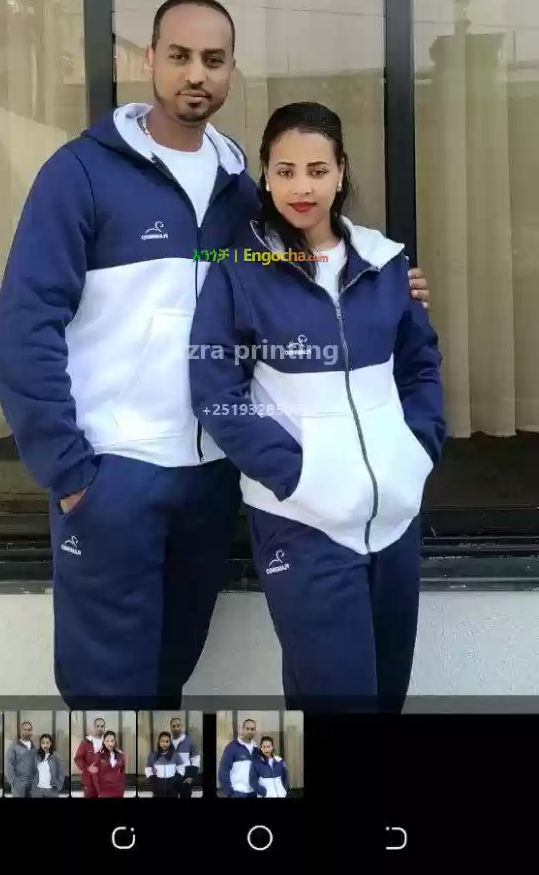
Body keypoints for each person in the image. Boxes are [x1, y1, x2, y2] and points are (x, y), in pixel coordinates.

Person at [0, 0, 430, 705]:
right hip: (114, 473)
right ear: (149, 60)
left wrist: (386, 284)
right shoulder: (81, 176)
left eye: (213, 60)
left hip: (213, 478)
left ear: (231, 71)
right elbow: (23, 332)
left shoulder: (242, 192)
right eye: (180, 56)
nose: (196, 74)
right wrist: (71, 473)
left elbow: (301, 280)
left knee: (169, 674)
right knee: (106, 697)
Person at [190, 102, 446, 713]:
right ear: (266, 176)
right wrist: (301, 475)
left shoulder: (385, 263)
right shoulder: (239, 271)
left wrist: (416, 450)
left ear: (341, 171)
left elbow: (420, 366)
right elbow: (216, 395)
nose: (301, 187)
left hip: (393, 518)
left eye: (317, 169)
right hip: (301, 524)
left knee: (386, 695)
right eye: (285, 171)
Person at [218, 719, 258, 798]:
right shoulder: (232, 747)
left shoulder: (256, 749)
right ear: (242, 729)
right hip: (237, 793)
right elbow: (223, 770)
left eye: (252, 729)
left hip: (253, 793)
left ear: (255, 731)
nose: (249, 731)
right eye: (247, 728)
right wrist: (229, 792)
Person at [144, 731, 184, 798]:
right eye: (162, 741)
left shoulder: (175, 755)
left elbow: (181, 767)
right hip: (158, 785)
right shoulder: (153, 755)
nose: (164, 743)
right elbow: (148, 768)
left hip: (172, 785)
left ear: (170, 742)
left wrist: (177, 777)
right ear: (159, 742)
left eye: (167, 741)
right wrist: (152, 777)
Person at [169, 716, 200, 799]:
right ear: (170, 728)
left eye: (178, 725)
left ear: (181, 726)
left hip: (185, 779)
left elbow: (196, 760)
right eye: (173, 726)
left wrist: (191, 776)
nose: (176, 728)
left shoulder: (189, 741)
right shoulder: (167, 742)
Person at [74, 717, 106, 798]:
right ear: (94, 727)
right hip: (89, 783)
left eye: (102, 726)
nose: (100, 728)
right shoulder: (86, 743)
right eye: (97, 726)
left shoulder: (107, 743)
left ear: (104, 728)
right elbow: (78, 759)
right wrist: (87, 768)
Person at [89, 731, 126, 798]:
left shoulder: (120, 755)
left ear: (115, 742)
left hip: (118, 791)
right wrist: (99, 791)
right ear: (104, 742)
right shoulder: (98, 755)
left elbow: (122, 772)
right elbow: (94, 776)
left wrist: (122, 788)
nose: (110, 743)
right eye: (107, 741)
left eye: (112, 741)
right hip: (104, 791)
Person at [5, 720, 37, 797]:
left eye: (29, 730)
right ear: (21, 731)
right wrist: (13, 782)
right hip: (19, 787)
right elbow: (8, 765)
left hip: (32, 786)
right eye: (25, 729)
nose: (27, 731)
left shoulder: (34, 748)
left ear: (31, 731)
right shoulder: (14, 746)